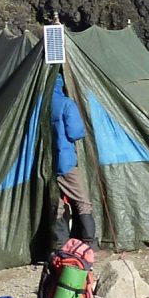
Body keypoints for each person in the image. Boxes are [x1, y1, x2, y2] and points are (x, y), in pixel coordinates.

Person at [48, 74, 95, 241]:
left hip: (46, 164)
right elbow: (76, 132)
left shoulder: (39, 104)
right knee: (82, 201)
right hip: (66, 160)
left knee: (58, 204)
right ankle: (89, 241)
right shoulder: (66, 104)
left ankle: (60, 243)